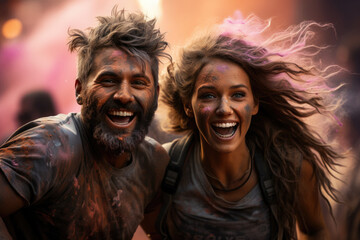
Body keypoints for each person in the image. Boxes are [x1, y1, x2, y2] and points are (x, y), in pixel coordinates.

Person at [141, 14, 344, 239]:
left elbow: (316, 230)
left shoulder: (290, 167)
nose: (224, 108)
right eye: (208, 95)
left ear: (255, 103)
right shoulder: (163, 167)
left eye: (238, 95)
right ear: (188, 105)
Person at [0, 7, 170, 240]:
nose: (124, 95)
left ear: (155, 95)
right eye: (109, 80)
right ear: (80, 90)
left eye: (139, 83)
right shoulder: (50, 147)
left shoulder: (153, 163)